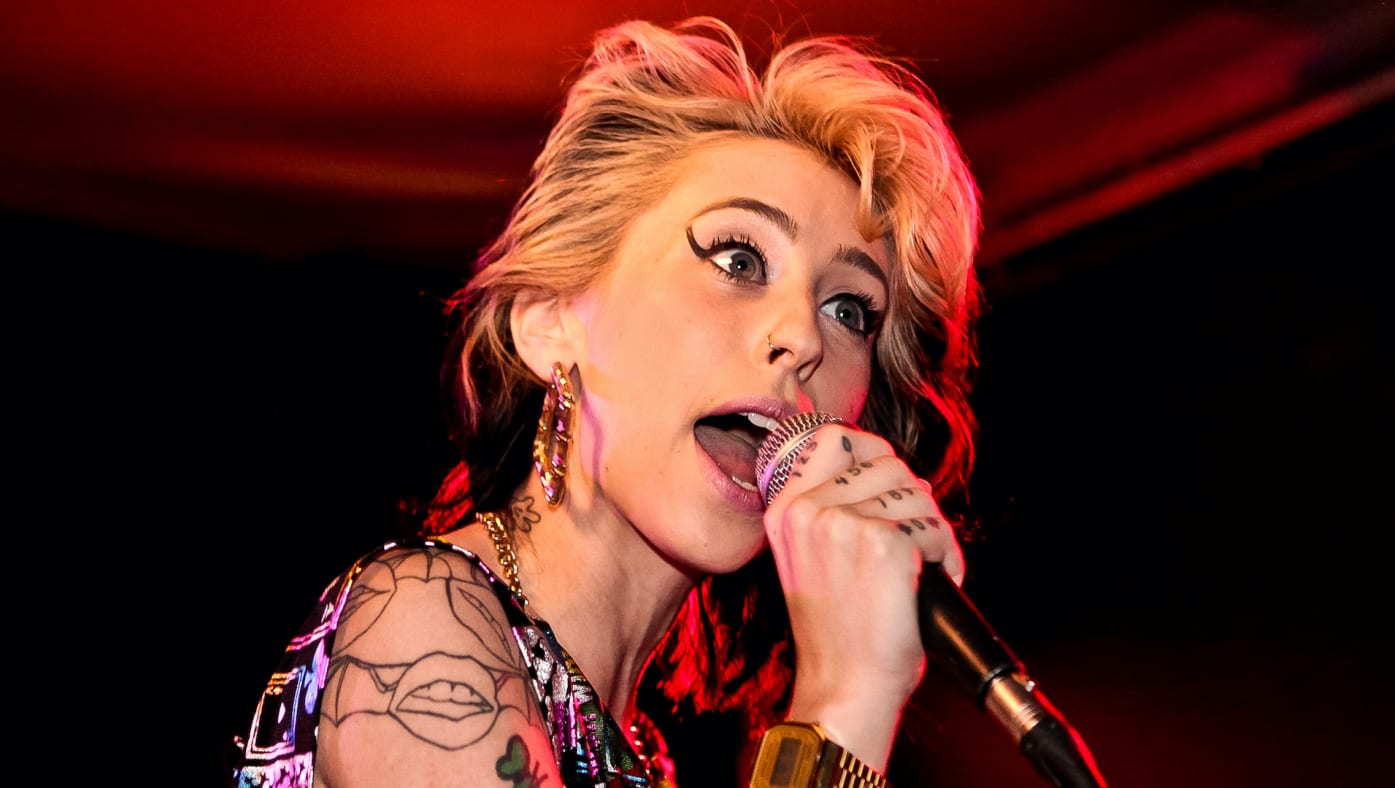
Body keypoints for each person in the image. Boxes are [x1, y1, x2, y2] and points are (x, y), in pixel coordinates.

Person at [228, 14, 981, 788]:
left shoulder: (645, 753)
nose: (802, 336)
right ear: (550, 321)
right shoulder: (421, 623)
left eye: (849, 309)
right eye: (738, 259)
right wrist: (846, 700)